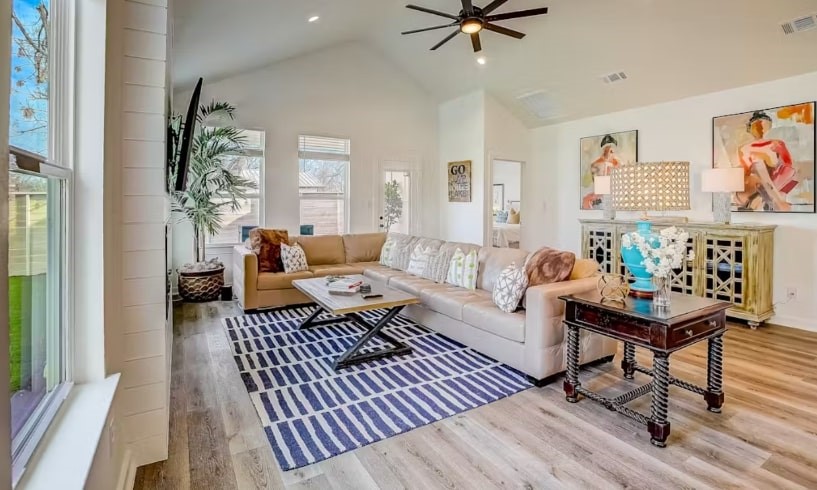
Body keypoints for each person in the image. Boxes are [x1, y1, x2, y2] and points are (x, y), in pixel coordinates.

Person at [736, 111, 797, 212]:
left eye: (764, 124)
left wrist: (769, 161)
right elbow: (745, 171)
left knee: (789, 171)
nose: (761, 127)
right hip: (755, 180)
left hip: (775, 179)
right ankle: (777, 200)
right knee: (758, 165)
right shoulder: (743, 148)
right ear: (750, 128)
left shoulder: (777, 143)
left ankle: (760, 197)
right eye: (757, 125)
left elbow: (788, 164)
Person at [583, 134, 621, 209]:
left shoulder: (618, 164)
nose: (609, 154)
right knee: (587, 201)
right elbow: (599, 186)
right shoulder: (596, 164)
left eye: (612, 151)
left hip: (614, 194)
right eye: (607, 151)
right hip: (602, 195)